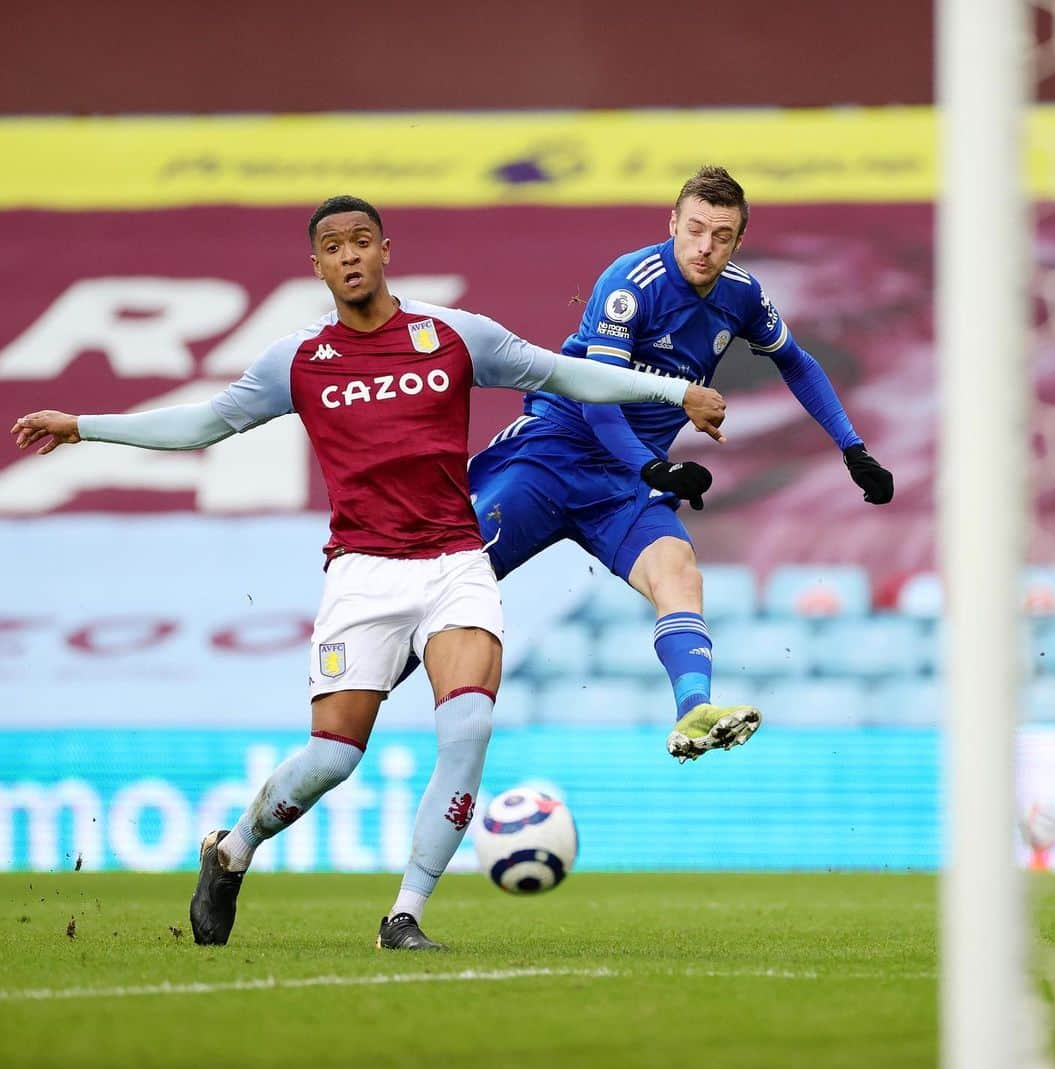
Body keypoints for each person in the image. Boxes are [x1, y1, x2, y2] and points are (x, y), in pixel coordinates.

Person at [10, 195, 727, 951]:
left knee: (470, 725)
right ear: (316, 266)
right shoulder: (297, 360)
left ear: (386, 250)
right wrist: (84, 425)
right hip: (364, 575)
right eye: (333, 247)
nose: (349, 256)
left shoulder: (454, 335)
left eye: (361, 242)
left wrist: (675, 392)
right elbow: (202, 425)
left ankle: (404, 915)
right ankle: (232, 852)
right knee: (333, 758)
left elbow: (566, 375)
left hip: (454, 563)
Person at [467, 166, 894, 763]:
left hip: (627, 481)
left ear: (738, 240)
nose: (705, 247)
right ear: (672, 224)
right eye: (694, 230)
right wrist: (654, 468)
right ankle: (361, 683)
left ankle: (694, 708)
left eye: (721, 236)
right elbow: (600, 400)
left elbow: (796, 363)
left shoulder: (742, 295)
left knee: (681, 575)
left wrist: (853, 449)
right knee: (453, 580)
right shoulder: (629, 284)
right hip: (555, 453)